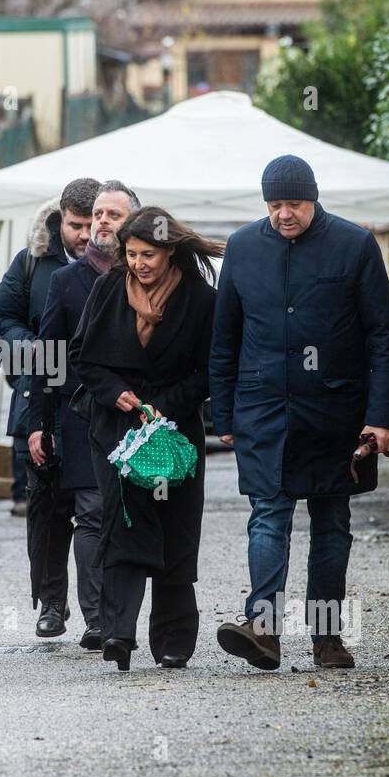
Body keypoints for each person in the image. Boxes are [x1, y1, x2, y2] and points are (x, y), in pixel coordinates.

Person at [209, 154, 389, 671]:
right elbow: (224, 338)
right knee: (267, 517)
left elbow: (383, 335)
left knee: (332, 523)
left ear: (313, 199)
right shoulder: (244, 249)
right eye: (274, 205)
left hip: (336, 414)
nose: (282, 215)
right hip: (263, 411)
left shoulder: (354, 245)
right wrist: (224, 416)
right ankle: (263, 630)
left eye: (292, 204)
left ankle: (327, 639)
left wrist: (382, 416)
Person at [69, 206, 222, 670]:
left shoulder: (200, 299)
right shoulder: (108, 288)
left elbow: (210, 371)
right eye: (132, 254)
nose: (139, 263)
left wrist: (167, 405)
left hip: (174, 432)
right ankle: (117, 634)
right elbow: (82, 355)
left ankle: (173, 639)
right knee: (123, 524)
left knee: (176, 528)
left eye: (148, 254)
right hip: (117, 431)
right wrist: (118, 395)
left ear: (170, 251)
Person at [25, 180, 135, 648]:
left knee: (120, 514)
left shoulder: (146, 269)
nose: (101, 224)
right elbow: (46, 355)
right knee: (88, 512)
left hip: (134, 416)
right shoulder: (65, 282)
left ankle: (116, 614)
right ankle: (97, 619)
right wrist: (37, 424)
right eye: (95, 218)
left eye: (110, 216)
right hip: (79, 414)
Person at [0, 177, 101, 637]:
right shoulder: (30, 262)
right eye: (76, 224)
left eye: (89, 224)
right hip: (42, 400)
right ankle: (51, 604)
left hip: (94, 404)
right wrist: (34, 349)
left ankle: (97, 613)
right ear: (61, 217)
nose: (83, 234)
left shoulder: (113, 263)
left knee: (94, 511)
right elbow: (3, 320)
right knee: (46, 513)